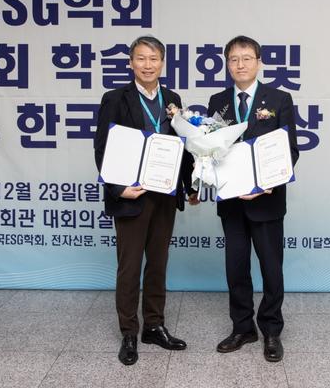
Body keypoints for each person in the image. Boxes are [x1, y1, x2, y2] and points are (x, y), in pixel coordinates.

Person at [94, 35, 198, 366]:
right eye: (141, 58)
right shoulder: (115, 98)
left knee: (158, 262)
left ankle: (154, 325)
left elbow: (183, 147)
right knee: (129, 267)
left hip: (165, 194)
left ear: (162, 63)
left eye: (154, 59)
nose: (147, 65)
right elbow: (102, 147)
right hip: (132, 196)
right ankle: (129, 332)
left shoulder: (173, 99)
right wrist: (118, 188)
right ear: (130, 63)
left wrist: (190, 186)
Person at [207, 35, 299, 362]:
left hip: (267, 200)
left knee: (271, 268)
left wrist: (267, 183)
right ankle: (242, 327)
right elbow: (212, 149)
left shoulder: (279, 99)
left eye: (246, 58)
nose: (240, 64)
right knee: (236, 268)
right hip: (232, 201)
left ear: (258, 62)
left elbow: (290, 149)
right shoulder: (217, 101)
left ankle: (271, 330)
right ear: (227, 64)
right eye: (233, 59)